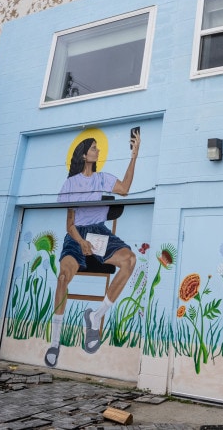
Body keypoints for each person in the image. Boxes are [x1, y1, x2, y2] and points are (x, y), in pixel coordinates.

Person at [44, 130, 139, 368]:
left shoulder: (101, 178)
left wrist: (134, 156)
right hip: (76, 234)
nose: (98, 151)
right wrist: (81, 241)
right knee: (63, 277)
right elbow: (70, 223)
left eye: (98, 148)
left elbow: (125, 189)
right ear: (84, 154)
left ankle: (95, 317)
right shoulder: (71, 183)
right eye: (94, 148)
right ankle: (55, 342)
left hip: (98, 233)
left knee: (129, 260)